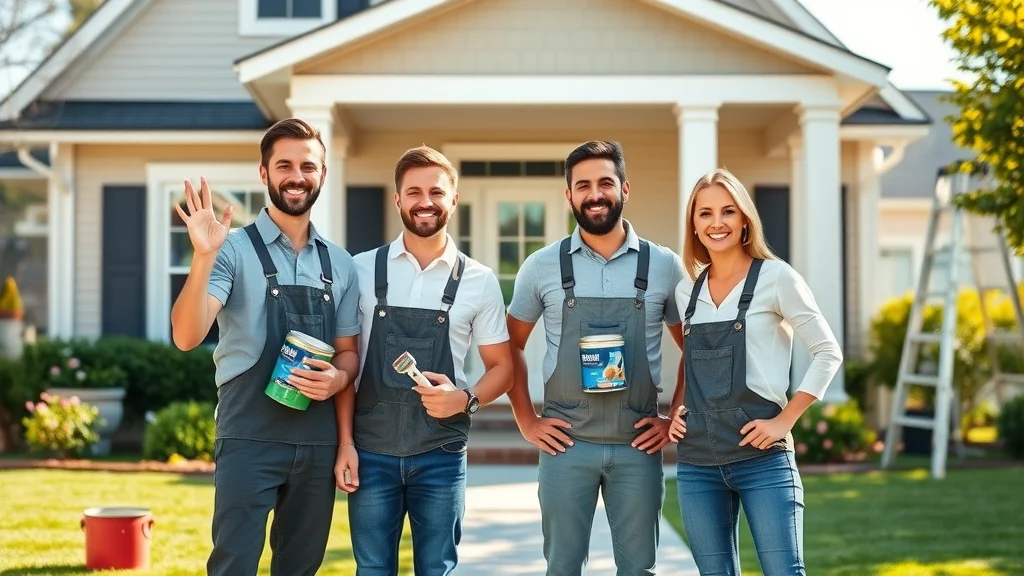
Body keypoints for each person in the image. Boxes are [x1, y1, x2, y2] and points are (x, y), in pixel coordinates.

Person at [170, 118, 361, 576]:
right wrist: (202, 256)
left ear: (322, 173)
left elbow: (349, 353)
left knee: (300, 567)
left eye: (308, 166)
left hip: (317, 442)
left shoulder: (341, 264)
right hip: (248, 438)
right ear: (264, 173)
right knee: (234, 563)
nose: (297, 176)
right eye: (284, 165)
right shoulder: (231, 250)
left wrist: (338, 382)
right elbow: (186, 335)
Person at [506, 140, 685, 575]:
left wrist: (674, 417)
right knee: (563, 567)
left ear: (625, 188)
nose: (595, 193)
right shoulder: (541, 266)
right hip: (567, 445)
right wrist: (527, 421)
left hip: (637, 445)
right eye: (582, 185)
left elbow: (696, 348)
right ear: (569, 195)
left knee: (639, 568)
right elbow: (508, 346)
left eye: (605, 182)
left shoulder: (664, 266)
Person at [335, 145, 513, 576]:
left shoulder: (479, 280)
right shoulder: (359, 270)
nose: (425, 201)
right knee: (373, 570)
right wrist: (345, 443)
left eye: (436, 191)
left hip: (442, 451)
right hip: (371, 449)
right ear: (398, 200)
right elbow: (348, 361)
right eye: (413, 191)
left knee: (437, 569)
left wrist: (465, 399)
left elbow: (503, 368)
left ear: (453, 199)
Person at [668, 168, 843, 576]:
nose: (717, 223)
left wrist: (784, 421)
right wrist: (678, 410)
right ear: (693, 224)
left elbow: (827, 352)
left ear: (745, 219)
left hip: (762, 460)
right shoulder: (686, 292)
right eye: (705, 213)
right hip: (697, 463)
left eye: (728, 211)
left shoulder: (777, 277)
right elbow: (691, 361)